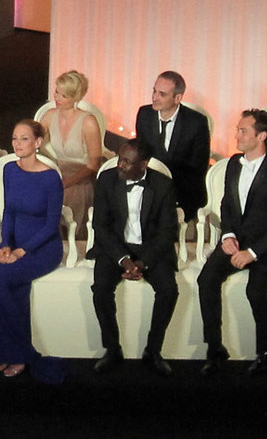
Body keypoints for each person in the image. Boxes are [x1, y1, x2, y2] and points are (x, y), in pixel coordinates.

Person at [0, 120, 66, 383]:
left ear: (38, 143)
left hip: (42, 247)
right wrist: (6, 244)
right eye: (15, 139)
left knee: (1, 279)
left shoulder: (51, 177)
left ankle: (18, 352)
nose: (18, 145)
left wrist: (22, 251)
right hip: (13, 241)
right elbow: (9, 212)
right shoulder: (9, 170)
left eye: (24, 139)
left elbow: (51, 224)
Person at [197, 109, 267, 377]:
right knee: (206, 280)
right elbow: (227, 205)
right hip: (235, 241)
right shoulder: (232, 164)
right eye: (238, 129)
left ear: (261, 136)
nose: (236, 135)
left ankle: (266, 352)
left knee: (255, 292)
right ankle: (215, 349)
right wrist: (228, 235)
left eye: (243, 131)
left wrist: (252, 253)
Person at [87, 138, 180, 376]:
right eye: (120, 159)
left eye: (127, 162)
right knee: (101, 289)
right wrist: (123, 259)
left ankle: (153, 350)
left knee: (169, 290)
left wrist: (142, 262)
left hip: (151, 248)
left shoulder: (163, 185)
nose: (120, 165)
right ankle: (112, 349)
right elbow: (101, 226)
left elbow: (168, 231)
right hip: (115, 247)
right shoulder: (106, 180)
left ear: (144, 165)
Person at [135, 71, 210, 222]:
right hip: (148, 187)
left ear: (178, 98)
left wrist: (165, 188)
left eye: (162, 94)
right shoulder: (144, 114)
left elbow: (198, 167)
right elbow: (140, 153)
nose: (154, 97)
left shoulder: (196, 122)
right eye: (154, 91)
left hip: (182, 190)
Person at [39, 70, 101, 237]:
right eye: (57, 92)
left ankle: (71, 241)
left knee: (68, 195)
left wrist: (67, 182)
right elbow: (34, 140)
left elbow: (93, 165)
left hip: (81, 177)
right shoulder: (49, 116)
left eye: (64, 95)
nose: (57, 98)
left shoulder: (88, 121)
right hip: (57, 173)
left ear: (76, 98)